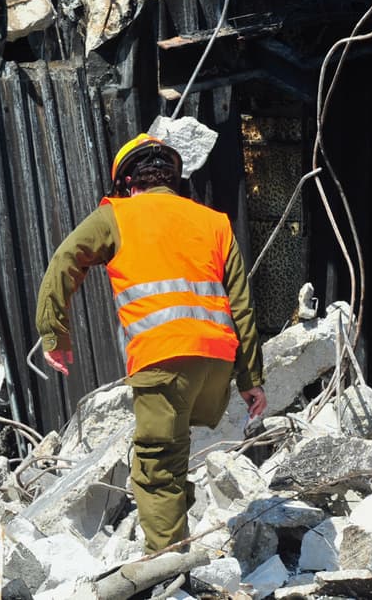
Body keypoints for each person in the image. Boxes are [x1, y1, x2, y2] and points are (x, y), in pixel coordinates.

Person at [35, 133, 266, 553]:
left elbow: (64, 260)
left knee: (156, 464)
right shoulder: (214, 221)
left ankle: (164, 569)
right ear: (172, 178)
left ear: (126, 183)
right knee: (174, 454)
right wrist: (252, 377)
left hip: (163, 357)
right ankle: (178, 544)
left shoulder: (116, 216)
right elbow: (242, 305)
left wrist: (54, 333)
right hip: (216, 362)